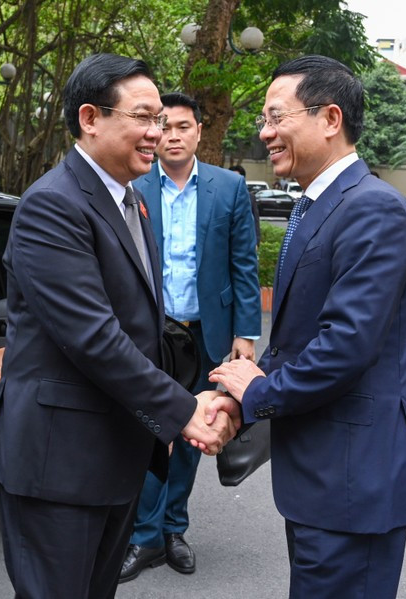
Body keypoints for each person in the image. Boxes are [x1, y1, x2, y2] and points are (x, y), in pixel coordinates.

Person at [0, 53, 239, 599]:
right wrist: (184, 409)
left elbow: (143, 326)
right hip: (58, 464)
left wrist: (173, 408)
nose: (156, 134)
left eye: (161, 121)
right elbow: (94, 337)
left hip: (113, 456)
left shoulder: (129, 202)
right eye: (143, 118)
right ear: (90, 118)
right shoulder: (53, 204)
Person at [208, 55, 406, 599]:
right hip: (325, 480)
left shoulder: (372, 209)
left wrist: (259, 393)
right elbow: (296, 339)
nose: (265, 133)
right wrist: (237, 400)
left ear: (330, 119)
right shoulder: (317, 205)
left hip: (354, 483)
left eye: (276, 117)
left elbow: (344, 345)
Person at [120, 93, 261, 583]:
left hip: (206, 335)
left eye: (183, 126)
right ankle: (143, 536)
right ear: (154, 133)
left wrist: (246, 332)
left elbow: (244, 263)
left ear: (200, 131)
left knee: (195, 428)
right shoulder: (133, 188)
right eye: (164, 126)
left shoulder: (229, 188)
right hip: (148, 336)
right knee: (147, 431)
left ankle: (174, 529)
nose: (173, 135)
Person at [229, 163, 261, 244]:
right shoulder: (221, 197)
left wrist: (257, 241)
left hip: (245, 242)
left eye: (236, 178)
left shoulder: (250, 197)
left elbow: (255, 221)